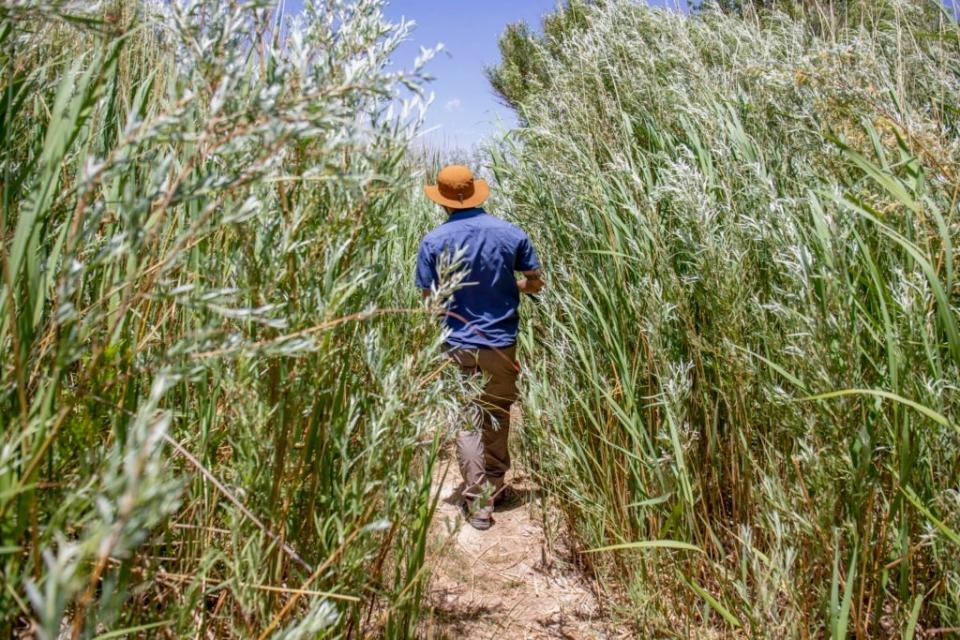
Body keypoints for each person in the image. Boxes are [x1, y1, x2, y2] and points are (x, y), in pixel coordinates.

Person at [416, 165, 545, 531]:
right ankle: (496, 482)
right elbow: (535, 281)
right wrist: (516, 288)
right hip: (501, 343)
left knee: (467, 421)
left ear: (443, 201)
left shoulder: (433, 242)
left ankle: (477, 503)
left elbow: (430, 299)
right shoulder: (510, 234)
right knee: (498, 411)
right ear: (475, 193)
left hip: (457, 345)